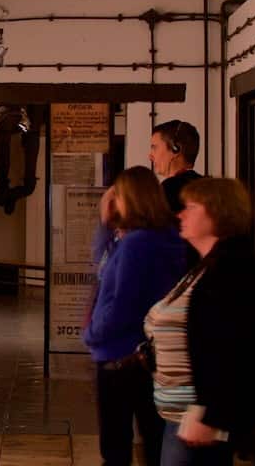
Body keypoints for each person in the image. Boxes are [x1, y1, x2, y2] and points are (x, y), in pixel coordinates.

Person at [146, 178, 255, 466]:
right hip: (185, 414)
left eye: (191, 207)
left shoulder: (233, 270)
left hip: (199, 417)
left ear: (218, 213)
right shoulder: (206, 266)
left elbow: (235, 348)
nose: (180, 214)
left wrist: (211, 413)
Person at [84, 166, 190, 466]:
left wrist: (94, 333)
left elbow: (122, 302)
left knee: (116, 448)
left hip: (120, 354)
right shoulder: (165, 238)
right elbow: (104, 263)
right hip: (149, 354)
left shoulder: (136, 244)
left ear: (131, 198)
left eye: (117, 196)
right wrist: (106, 226)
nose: (113, 202)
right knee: (153, 440)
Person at [149, 120, 205, 213]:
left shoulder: (169, 189)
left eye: (154, 147)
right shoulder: (206, 186)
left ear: (175, 149)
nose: (150, 156)